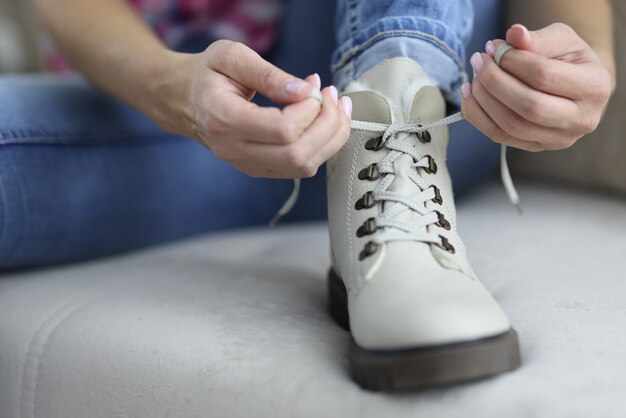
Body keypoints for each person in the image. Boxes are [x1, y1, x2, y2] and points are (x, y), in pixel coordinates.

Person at [0, 0, 614, 390]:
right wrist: (172, 89)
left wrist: (585, 60)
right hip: (170, 88)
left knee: (398, 60)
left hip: (449, 84)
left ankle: (392, 142)